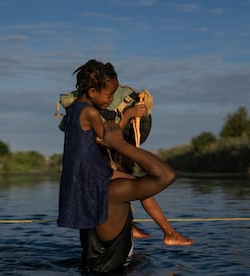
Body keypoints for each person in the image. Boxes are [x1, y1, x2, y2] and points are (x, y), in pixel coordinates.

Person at [57, 59, 193, 243]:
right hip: (92, 172)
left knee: (132, 186)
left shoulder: (73, 109)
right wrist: (127, 115)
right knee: (141, 186)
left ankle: (154, 230)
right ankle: (169, 234)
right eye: (109, 95)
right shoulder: (91, 113)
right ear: (92, 92)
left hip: (79, 172)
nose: (111, 99)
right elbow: (110, 140)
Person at [80, 121, 180, 273]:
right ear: (118, 156)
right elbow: (167, 175)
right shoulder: (114, 191)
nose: (133, 160)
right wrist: (121, 145)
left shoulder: (89, 188)